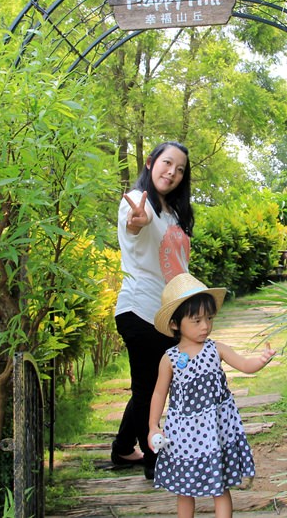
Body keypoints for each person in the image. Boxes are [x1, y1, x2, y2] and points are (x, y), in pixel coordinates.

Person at [147, 273, 276, 518]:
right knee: (184, 490)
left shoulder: (216, 349)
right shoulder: (170, 359)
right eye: (196, 320)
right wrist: (153, 425)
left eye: (208, 318)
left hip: (216, 430)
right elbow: (159, 393)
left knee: (221, 486)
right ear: (175, 324)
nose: (205, 326)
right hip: (183, 433)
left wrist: (261, 359)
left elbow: (245, 365)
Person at [112, 141, 194, 479]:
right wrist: (137, 220)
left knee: (151, 381)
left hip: (165, 313)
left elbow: (177, 267)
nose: (172, 172)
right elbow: (134, 227)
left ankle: (122, 447)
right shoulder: (136, 203)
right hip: (138, 308)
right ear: (150, 163)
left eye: (179, 169)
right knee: (149, 385)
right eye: (166, 163)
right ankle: (153, 458)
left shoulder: (174, 213)